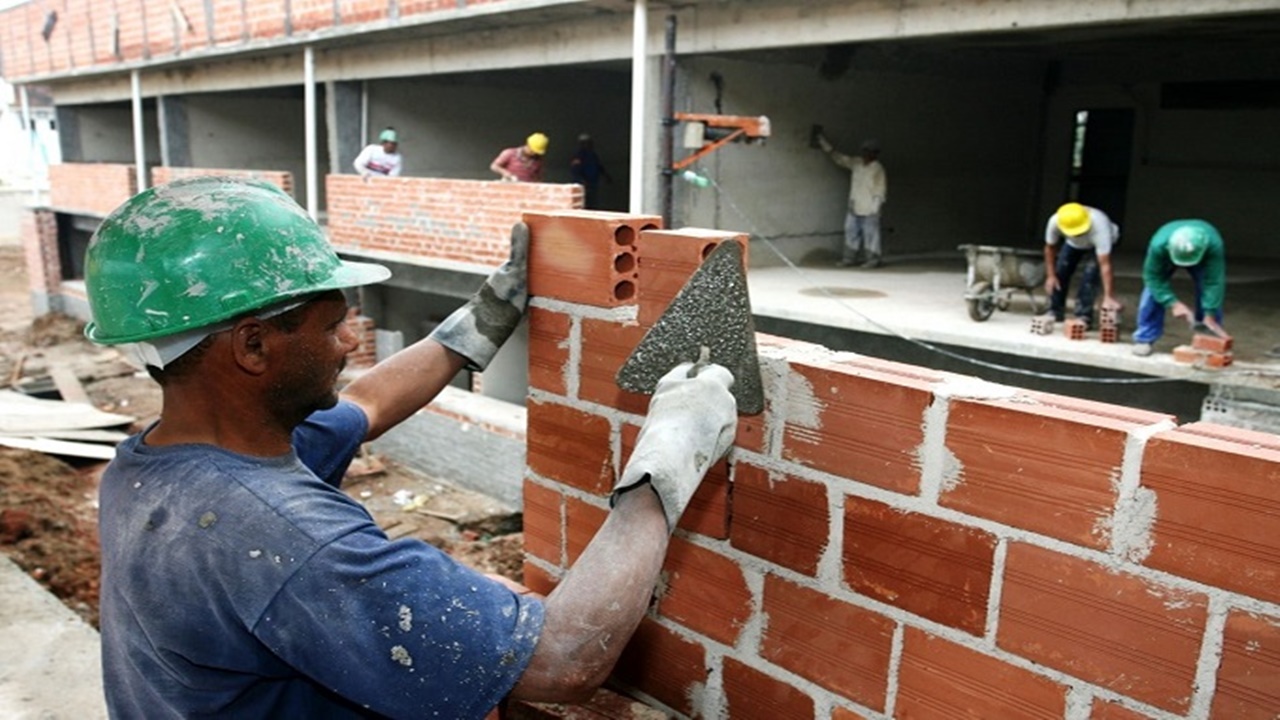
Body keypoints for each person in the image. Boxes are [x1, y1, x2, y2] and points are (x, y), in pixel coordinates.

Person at [84, 176, 738, 718]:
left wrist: (484, 318)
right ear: (252, 346)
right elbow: (561, 662)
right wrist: (667, 459)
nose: (350, 341)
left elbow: (366, 405)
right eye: (334, 324)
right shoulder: (292, 543)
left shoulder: (155, 466)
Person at [1132, 218, 1227, 356]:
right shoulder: (1159, 245)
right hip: (1167, 252)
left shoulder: (1213, 244)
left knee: (1206, 286)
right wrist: (1172, 303)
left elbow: (1214, 282)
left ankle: (1209, 333)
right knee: (1152, 291)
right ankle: (1145, 338)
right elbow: (1152, 278)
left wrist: (1210, 312)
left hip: (1202, 253)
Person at [1042, 202, 1123, 327]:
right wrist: (1050, 275)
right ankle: (1055, 310)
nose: (1077, 234)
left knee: (1090, 276)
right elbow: (1050, 248)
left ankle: (1084, 315)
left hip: (1097, 242)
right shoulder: (1055, 221)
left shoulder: (1100, 225)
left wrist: (1108, 296)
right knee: (1061, 271)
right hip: (1073, 244)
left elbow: (1105, 265)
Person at [816, 133, 887, 268]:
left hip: (870, 206)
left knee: (871, 235)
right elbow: (839, 158)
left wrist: (876, 206)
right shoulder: (857, 163)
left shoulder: (878, 168)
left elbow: (880, 188)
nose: (866, 154)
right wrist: (825, 145)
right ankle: (849, 259)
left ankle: (873, 260)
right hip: (855, 205)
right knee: (851, 232)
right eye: (865, 151)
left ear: (875, 154)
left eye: (869, 152)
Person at [569, 133, 612, 209]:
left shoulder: (593, 154)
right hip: (584, 184)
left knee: (592, 202)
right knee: (585, 203)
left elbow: (599, 166)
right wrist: (581, 181)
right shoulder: (579, 155)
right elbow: (575, 170)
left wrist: (606, 176)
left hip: (593, 183)